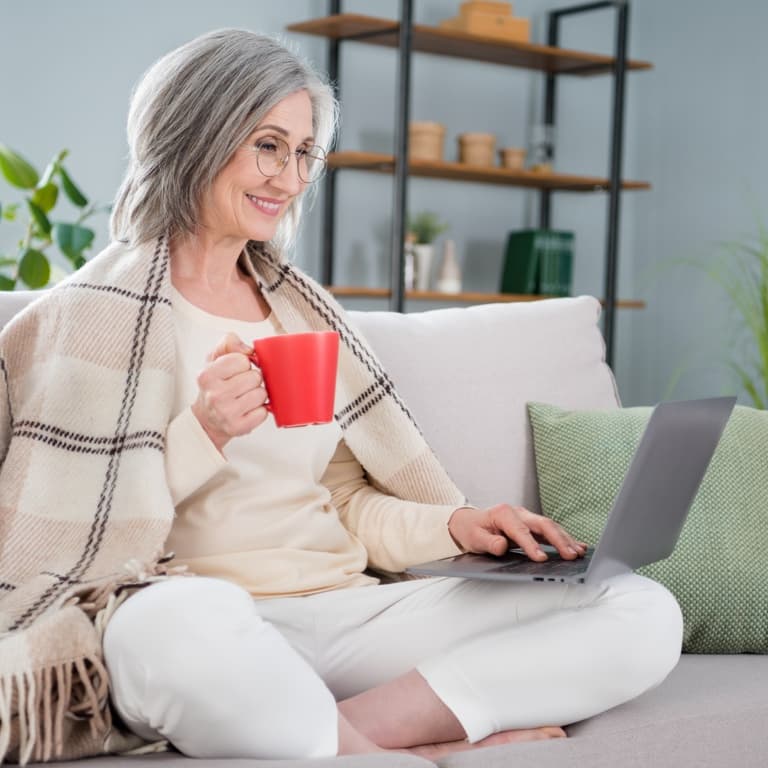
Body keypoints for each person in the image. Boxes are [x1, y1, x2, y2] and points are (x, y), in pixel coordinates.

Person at [0, 29, 683, 764]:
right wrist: (204, 432)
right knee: (172, 631)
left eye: (303, 153)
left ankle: (358, 731)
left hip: (348, 609)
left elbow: (348, 505)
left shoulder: (305, 311)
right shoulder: (89, 319)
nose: (290, 180)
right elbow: (81, 534)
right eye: (268, 145)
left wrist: (459, 525)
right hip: (209, 619)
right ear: (194, 134)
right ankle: (401, 746)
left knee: (641, 609)